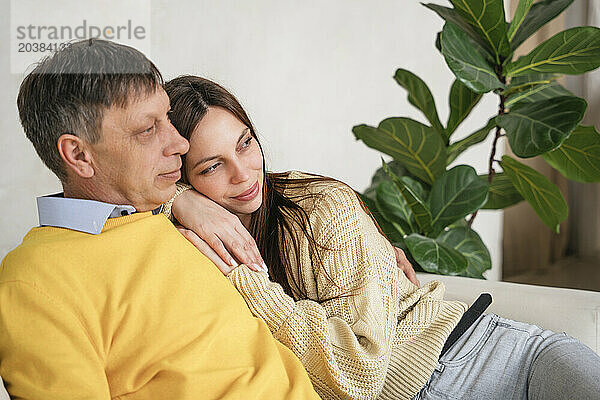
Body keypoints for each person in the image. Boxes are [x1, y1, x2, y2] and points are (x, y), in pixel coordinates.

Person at [163, 75, 600, 400]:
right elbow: (114, 195)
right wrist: (178, 201)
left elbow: (361, 374)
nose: (243, 174)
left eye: (245, 144)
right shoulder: (186, 232)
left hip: (498, 357)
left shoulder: (318, 207)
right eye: (211, 167)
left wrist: (246, 278)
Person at [0, 39, 321, 400]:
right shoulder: (33, 282)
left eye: (167, 116)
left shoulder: (167, 211)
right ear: (78, 155)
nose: (180, 144)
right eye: (147, 130)